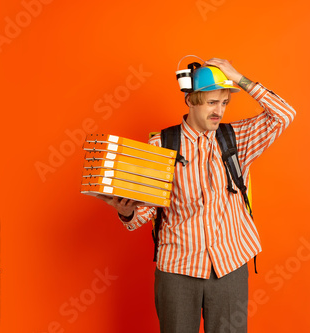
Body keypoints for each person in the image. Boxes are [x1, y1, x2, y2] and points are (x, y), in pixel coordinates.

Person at [100, 58, 296, 333]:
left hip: (229, 263)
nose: (219, 111)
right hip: (178, 269)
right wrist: (126, 211)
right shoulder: (162, 145)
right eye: (211, 102)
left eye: (224, 103)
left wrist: (238, 77)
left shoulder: (237, 138)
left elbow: (284, 113)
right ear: (191, 100)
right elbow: (144, 213)